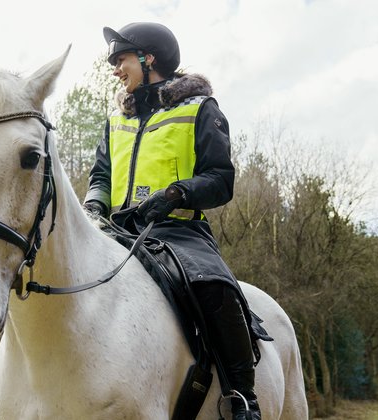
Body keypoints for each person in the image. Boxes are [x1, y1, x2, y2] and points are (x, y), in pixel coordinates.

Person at [83, 22, 261, 420]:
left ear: (149, 59)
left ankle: (242, 397)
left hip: (178, 230)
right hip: (116, 233)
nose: (115, 69)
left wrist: (177, 194)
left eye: (121, 59)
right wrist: (94, 205)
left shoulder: (199, 109)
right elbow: (100, 177)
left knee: (214, 286)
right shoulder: (115, 122)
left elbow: (221, 179)